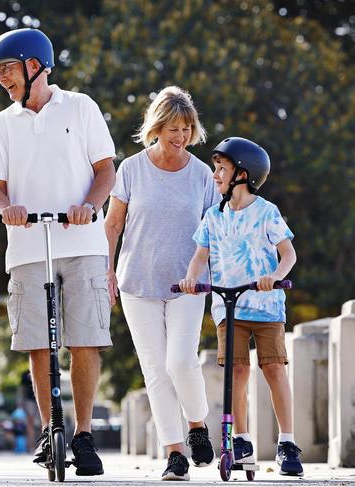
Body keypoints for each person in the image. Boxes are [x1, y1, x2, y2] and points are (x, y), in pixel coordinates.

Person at [0, 28, 116, 476]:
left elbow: (105, 172)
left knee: (85, 341)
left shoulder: (80, 107)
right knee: (37, 344)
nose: (1, 77)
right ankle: (48, 428)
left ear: (35, 65)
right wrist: (6, 211)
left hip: (81, 242)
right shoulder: (1, 124)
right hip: (26, 248)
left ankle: (82, 434)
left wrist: (89, 207)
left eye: (7, 68)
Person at [104, 86, 217, 481]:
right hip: (137, 281)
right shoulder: (132, 168)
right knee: (155, 369)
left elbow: (213, 231)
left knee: (180, 361)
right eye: (173, 127)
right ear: (157, 125)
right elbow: (113, 224)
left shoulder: (202, 174)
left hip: (189, 282)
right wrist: (107, 270)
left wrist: (212, 276)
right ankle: (174, 454)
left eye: (187, 128)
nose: (181, 135)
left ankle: (198, 425)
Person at [179, 136, 302, 477]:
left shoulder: (266, 212)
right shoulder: (212, 217)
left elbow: (288, 253)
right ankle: (243, 440)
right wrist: (190, 279)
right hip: (228, 307)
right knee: (237, 373)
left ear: (243, 175)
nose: (215, 174)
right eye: (216, 168)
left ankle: (288, 443)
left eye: (222, 169)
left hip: (265, 306)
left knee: (274, 369)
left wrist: (275, 276)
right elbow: (199, 257)